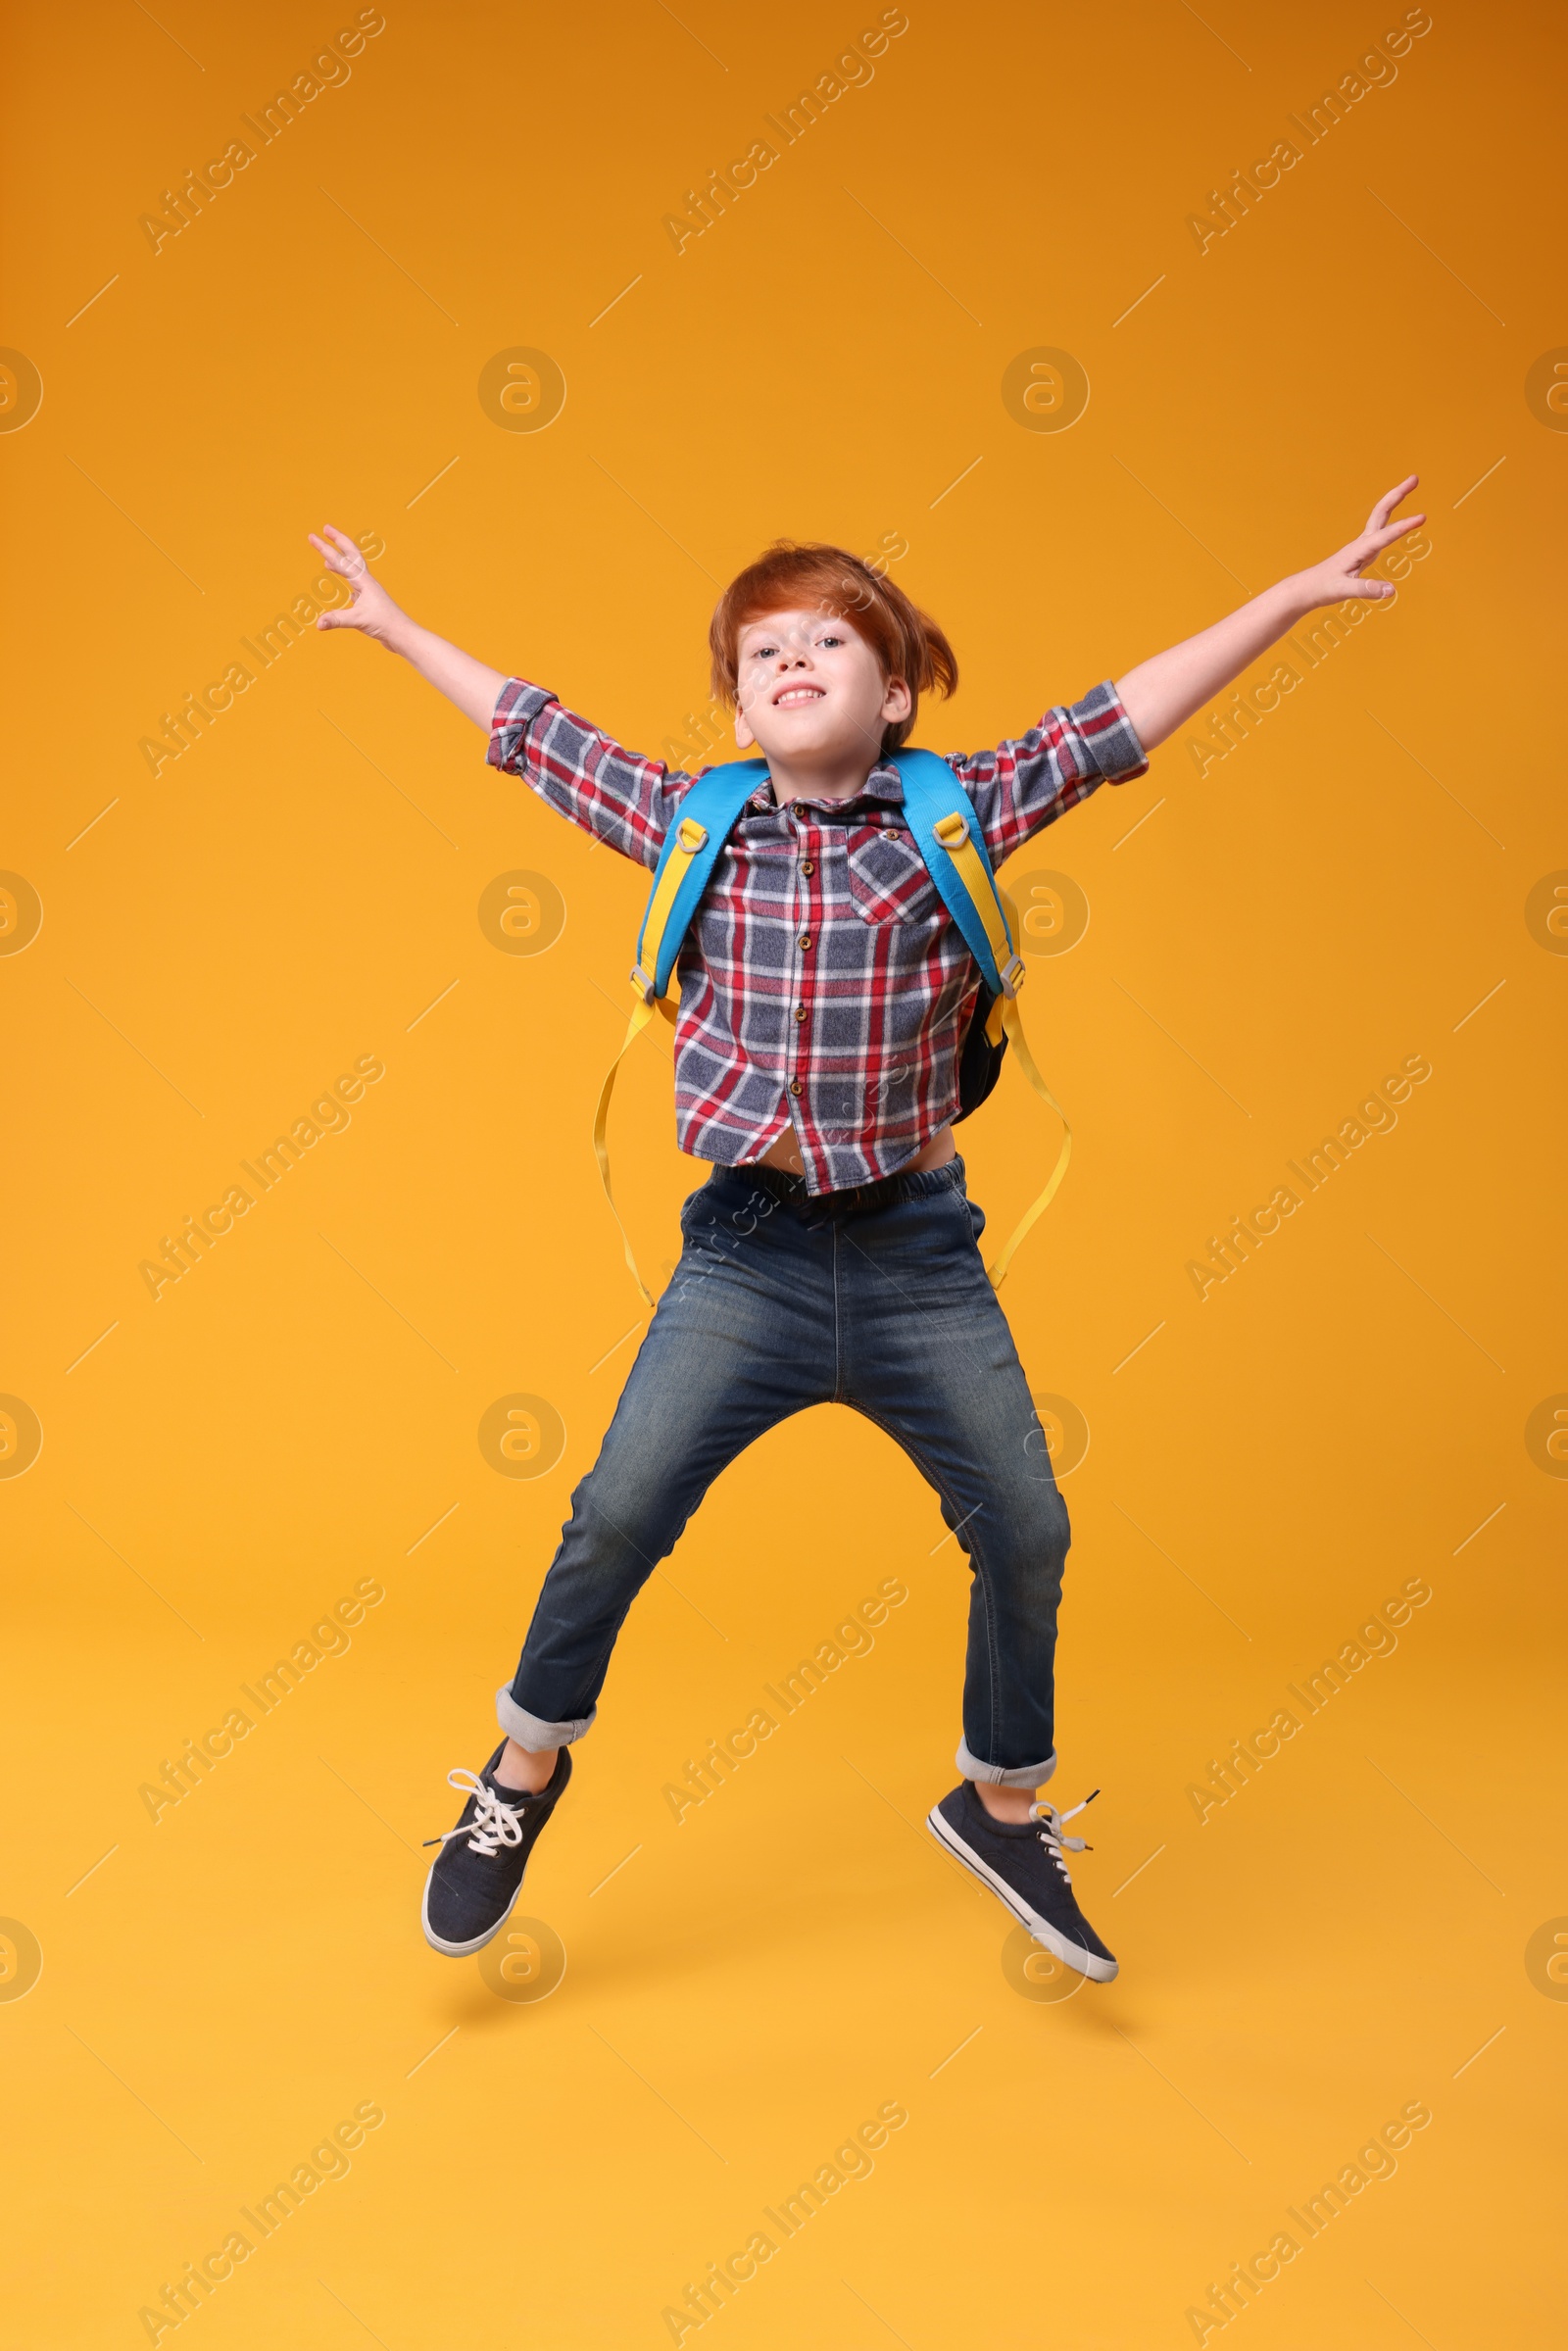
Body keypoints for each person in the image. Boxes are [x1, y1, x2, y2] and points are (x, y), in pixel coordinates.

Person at [309, 476, 1423, 1980]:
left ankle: (998, 1803)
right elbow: (533, 727)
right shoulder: (693, 821)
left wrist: (1286, 596)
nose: (789, 666)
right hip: (745, 1260)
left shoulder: (955, 813)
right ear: (736, 704)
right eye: (760, 653)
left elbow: (1119, 721)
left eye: (825, 646)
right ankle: (520, 1777)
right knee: (616, 1517)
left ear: (893, 689)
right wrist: (396, 631)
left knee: (1026, 1526)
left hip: (915, 1258)